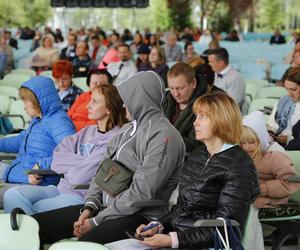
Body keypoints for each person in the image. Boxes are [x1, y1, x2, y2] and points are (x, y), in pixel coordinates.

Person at [32, 71, 186, 249]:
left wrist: (96, 221)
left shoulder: (164, 136)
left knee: (81, 246)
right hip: (104, 210)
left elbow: (141, 194)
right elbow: (101, 173)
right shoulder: (126, 130)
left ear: (140, 99)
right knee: (33, 226)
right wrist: (89, 207)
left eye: (128, 97)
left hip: (139, 217)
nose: (123, 103)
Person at [109, 91, 259, 249]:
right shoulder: (198, 155)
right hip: (181, 239)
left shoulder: (240, 166)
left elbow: (225, 229)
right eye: (196, 116)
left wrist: (172, 240)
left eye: (202, 117)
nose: (195, 123)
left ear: (221, 120)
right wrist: (157, 226)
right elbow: (183, 208)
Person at [4, 84, 127, 214]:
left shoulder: (114, 139)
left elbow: (78, 178)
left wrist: (69, 166)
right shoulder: (87, 131)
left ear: (109, 108)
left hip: (80, 197)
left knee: (26, 210)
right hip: (59, 189)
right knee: (12, 195)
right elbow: (57, 158)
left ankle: (35, 231)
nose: (87, 105)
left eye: (94, 102)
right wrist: (83, 162)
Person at [0, 76, 75, 208]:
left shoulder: (59, 122)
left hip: (34, 183)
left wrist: (41, 166)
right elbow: (20, 140)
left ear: (37, 102)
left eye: (25, 102)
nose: (24, 107)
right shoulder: (38, 120)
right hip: (17, 176)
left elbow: (70, 153)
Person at [241, 111, 300, 208]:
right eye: (243, 143)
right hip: (250, 197)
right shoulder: (245, 154)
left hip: (271, 203)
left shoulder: (276, 157)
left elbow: (292, 182)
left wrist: (262, 189)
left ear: (261, 139)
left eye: (251, 142)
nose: (246, 147)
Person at [163, 62, 206, 152]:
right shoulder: (165, 99)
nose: (175, 94)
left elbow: (196, 143)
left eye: (180, 88)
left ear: (193, 83)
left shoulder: (205, 106)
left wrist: (164, 140)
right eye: (171, 88)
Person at [267, 67, 300, 147]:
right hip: (278, 144)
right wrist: (272, 135)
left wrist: (289, 139)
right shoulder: (283, 101)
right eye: (287, 89)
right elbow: (272, 125)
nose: (289, 94)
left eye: (293, 89)